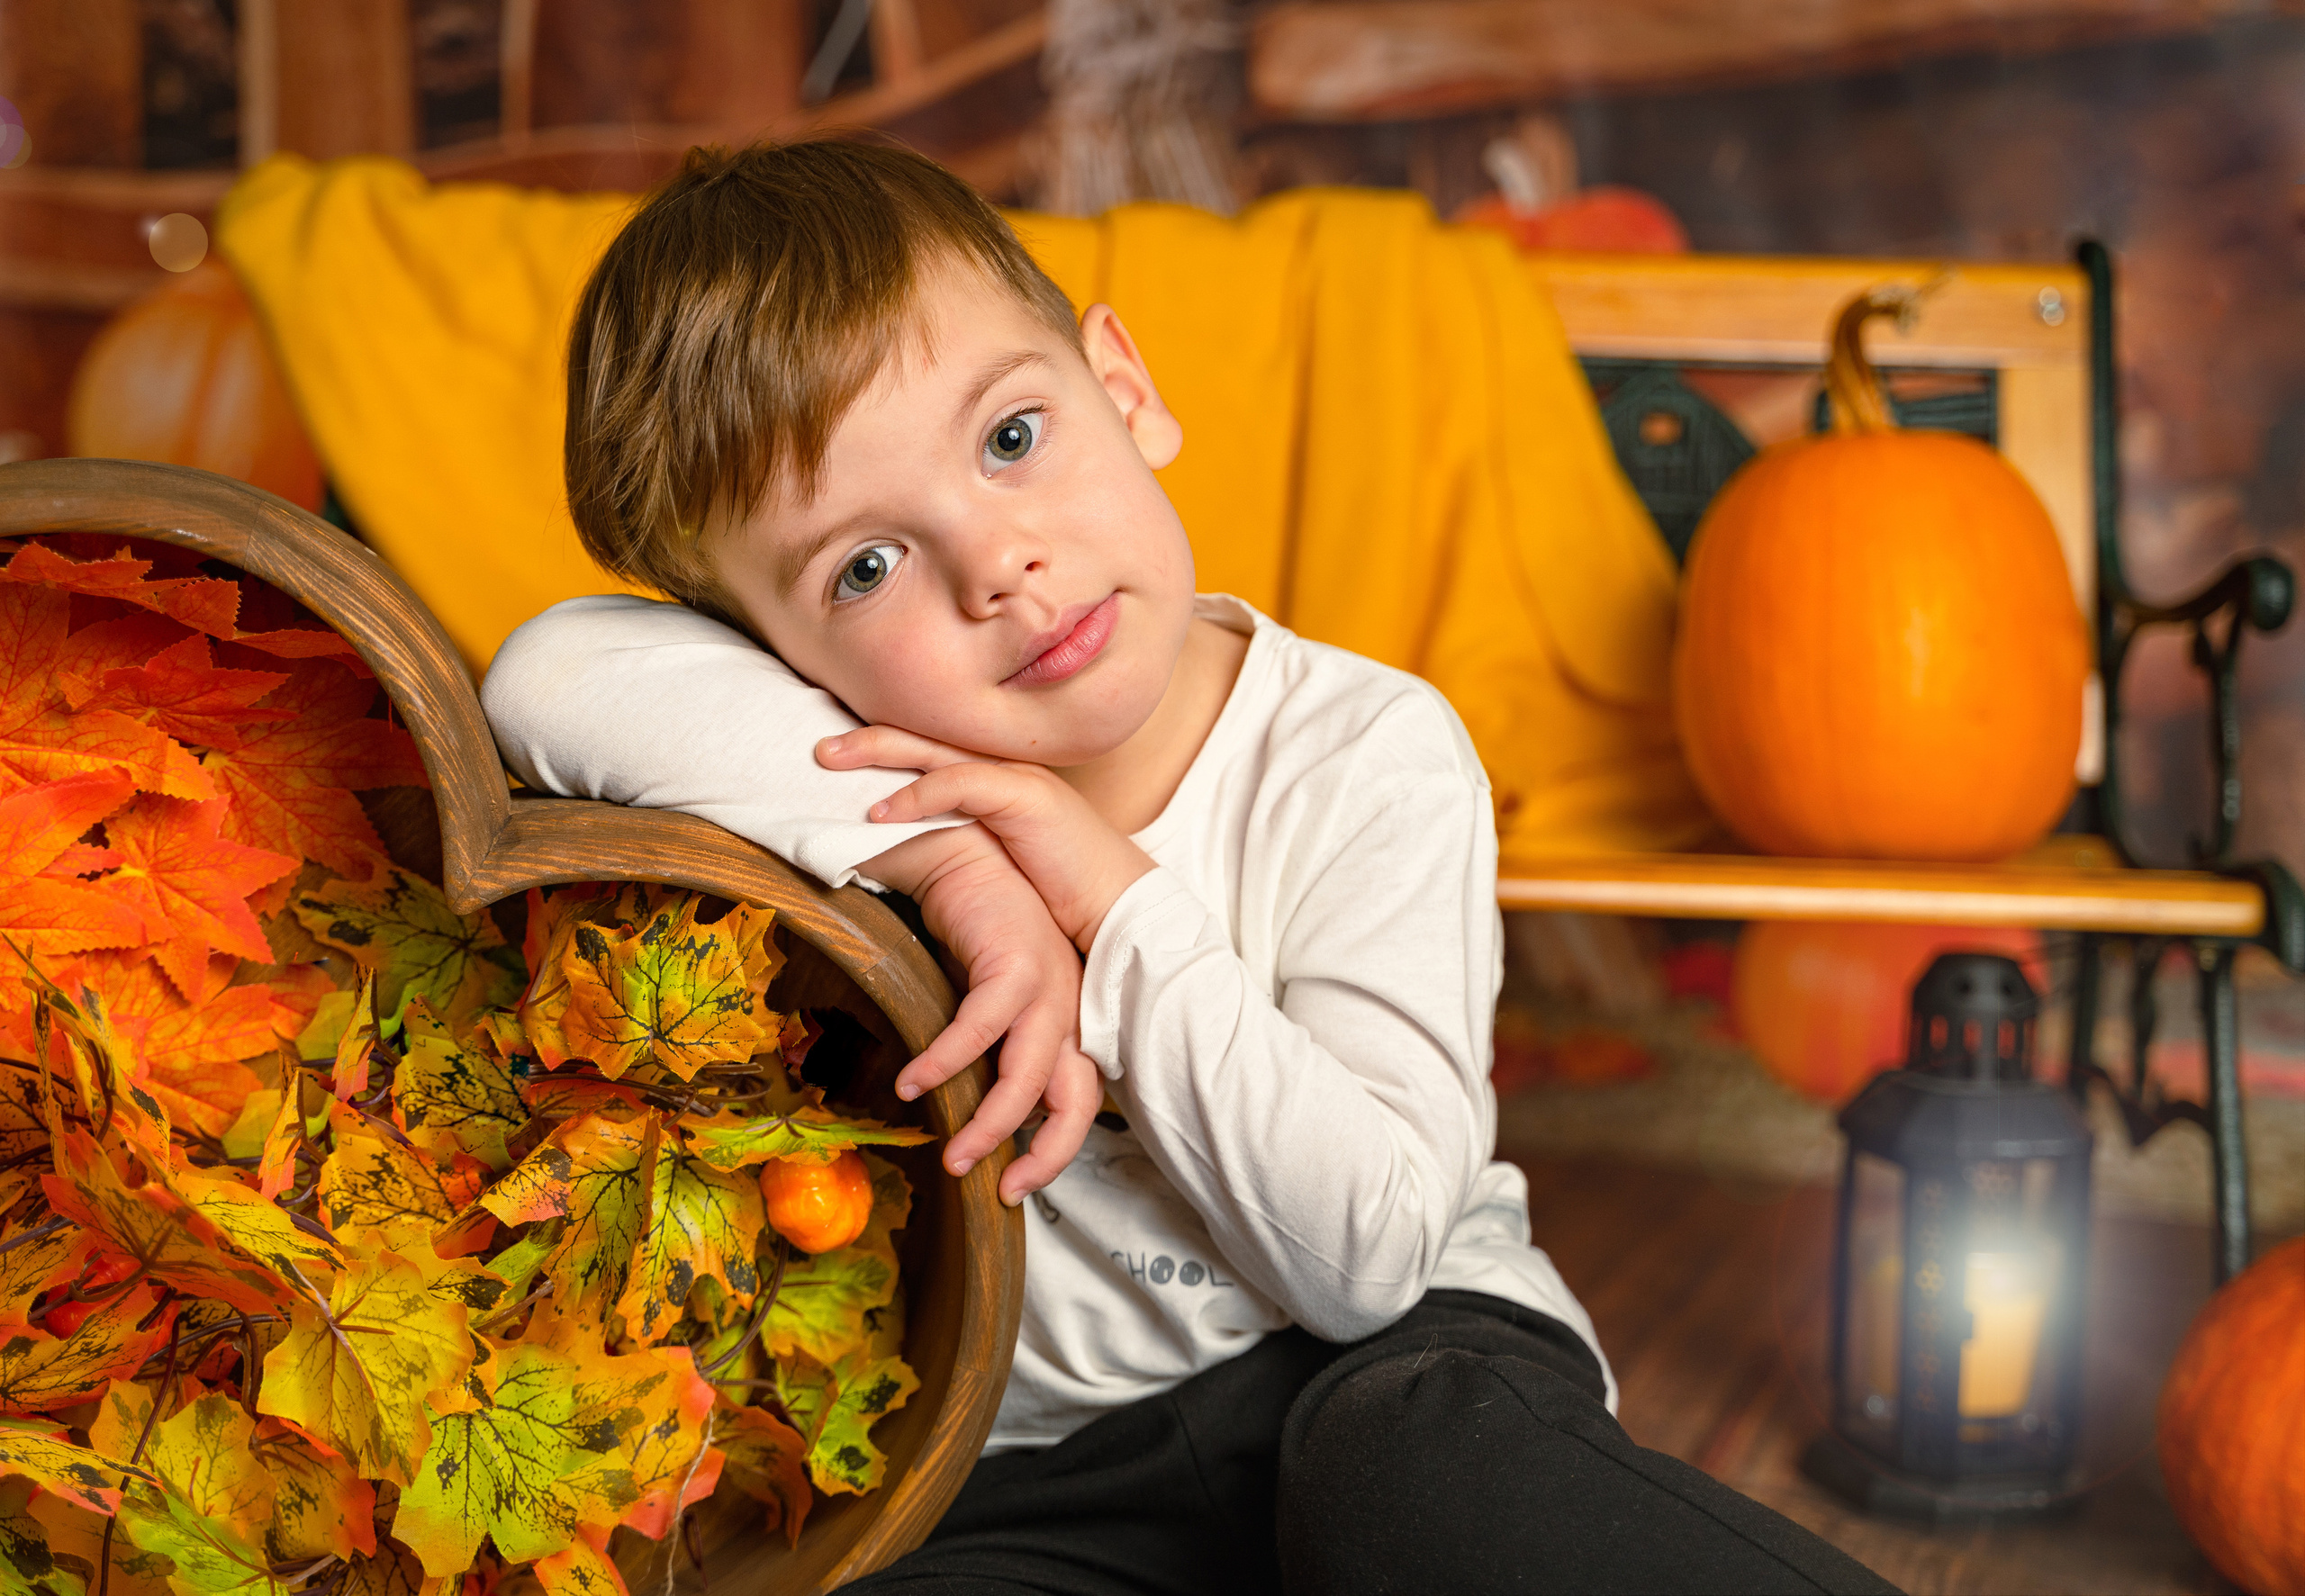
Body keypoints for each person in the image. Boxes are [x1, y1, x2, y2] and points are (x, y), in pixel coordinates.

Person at [484, 138, 1898, 1596]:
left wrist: (1110, 903)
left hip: (1390, 1364)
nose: (1000, 566)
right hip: (1035, 1468)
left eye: (1012, 438)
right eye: (865, 568)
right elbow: (545, 672)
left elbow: (1368, 1259)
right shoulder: (855, 780)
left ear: (1128, 389)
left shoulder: (1367, 752)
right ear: (775, 660)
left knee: (1427, 1478)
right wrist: (960, 864)